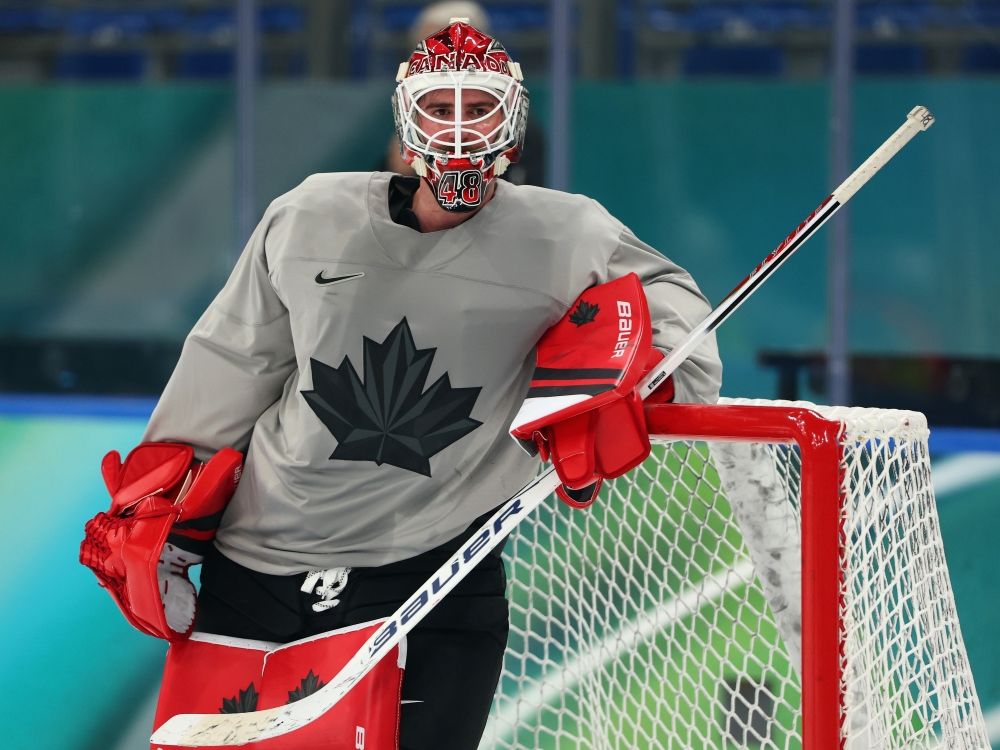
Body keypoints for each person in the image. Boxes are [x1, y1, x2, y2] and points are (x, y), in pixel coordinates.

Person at [96, 18, 721, 750]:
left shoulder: (568, 235)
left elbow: (678, 308)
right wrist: (166, 508)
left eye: (479, 106)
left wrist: (648, 381)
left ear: (514, 119)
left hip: (434, 571)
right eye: (439, 107)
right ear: (406, 118)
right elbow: (236, 359)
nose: (459, 129)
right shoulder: (306, 216)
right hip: (259, 564)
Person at [382, 0, 546, 187]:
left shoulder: (518, 130)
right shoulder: (411, 117)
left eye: (479, 111)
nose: (430, 58)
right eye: (441, 111)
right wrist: (399, 174)